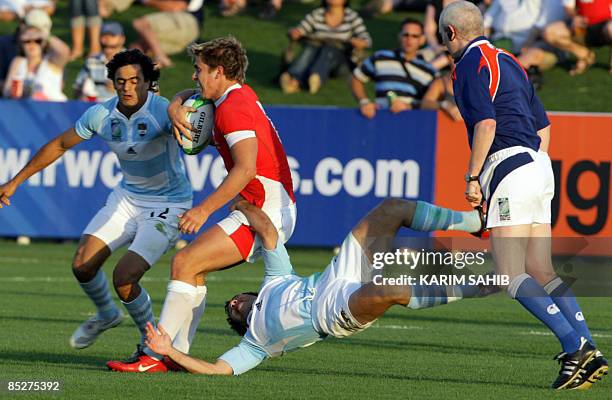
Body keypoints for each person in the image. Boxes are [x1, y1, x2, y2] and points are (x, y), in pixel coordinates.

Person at [439, 1, 607, 390]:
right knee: (542, 269)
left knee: (509, 273)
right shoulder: (511, 60)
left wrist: (473, 177)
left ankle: (573, 346)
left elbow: (485, 122)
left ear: (450, 33)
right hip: (538, 163)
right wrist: (531, 169)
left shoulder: (467, 65)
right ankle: (590, 349)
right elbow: (543, 125)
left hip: (508, 164)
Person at [106, 36, 298, 373]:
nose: (194, 77)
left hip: (264, 209)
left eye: (199, 70)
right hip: (265, 205)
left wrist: (203, 210)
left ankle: (157, 356)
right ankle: (175, 355)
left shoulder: (233, 109)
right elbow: (192, 97)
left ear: (219, 72)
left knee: (185, 261)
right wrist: (174, 103)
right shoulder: (235, 95)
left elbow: (246, 168)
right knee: (191, 269)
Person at [138, 198, 486, 375]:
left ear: (249, 294)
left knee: (391, 209)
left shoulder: (276, 278)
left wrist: (243, 204)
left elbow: (269, 234)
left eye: (234, 301)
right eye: (233, 312)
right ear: (241, 323)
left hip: (337, 273)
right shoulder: (256, 344)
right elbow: (215, 370)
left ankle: (476, 222)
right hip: (331, 313)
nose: (232, 304)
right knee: (389, 289)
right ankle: (484, 284)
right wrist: (168, 351)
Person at [0, 49, 193, 363]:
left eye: (134, 81)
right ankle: (106, 314)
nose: (127, 87)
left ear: (148, 82)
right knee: (82, 264)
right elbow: (60, 145)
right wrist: (15, 181)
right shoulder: (101, 115)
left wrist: (180, 106)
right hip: (127, 198)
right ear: (112, 84)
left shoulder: (163, 111)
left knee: (124, 277)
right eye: (120, 81)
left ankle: (152, 345)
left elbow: (202, 120)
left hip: (168, 204)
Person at [351, 18, 438, 119]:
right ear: (399, 36)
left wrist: (409, 106)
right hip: (381, 117)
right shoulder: (381, 57)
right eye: (406, 35)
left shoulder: (430, 71)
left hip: (413, 120)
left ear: (422, 40)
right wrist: (364, 101)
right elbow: (356, 77)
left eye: (414, 36)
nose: (409, 40)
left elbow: (432, 103)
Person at [279, 0, 371, 94]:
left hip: (340, 61)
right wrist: (295, 33)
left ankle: (315, 77)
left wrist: (358, 42)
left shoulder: (351, 16)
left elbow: (366, 40)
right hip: (316, 53)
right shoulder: (317, 14)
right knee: (310, 48)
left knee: (330, 49)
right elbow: (301, 29)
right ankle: (293, 79)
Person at [2, 15, 69, 101]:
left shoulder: (52, 61)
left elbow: (64, 52)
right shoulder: (18, 62)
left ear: (43, 43)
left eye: (37, 41)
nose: (32, 44)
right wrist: (15, 91)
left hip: (52, 108)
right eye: (27, 41)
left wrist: (44, 34)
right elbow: (6, 91)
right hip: (25, 109)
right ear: (21, 44)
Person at [542, 0, 612, 75]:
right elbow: (569, 7)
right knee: (550, 32)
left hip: (605, 26)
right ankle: (584, 54)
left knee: (611, 28)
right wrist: (575, 17)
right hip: (582, 28)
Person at [131, 0, 203, 68]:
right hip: (187, 37)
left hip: (187, 21)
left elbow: (177, 6)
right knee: (136, 48)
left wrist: (147, 1)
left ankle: (160, 56)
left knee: (141, 24)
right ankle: (152, 67)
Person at [74, 21, 126, 102]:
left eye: (112, 35)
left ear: (122, 39)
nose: (107, 39)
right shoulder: (91, 62)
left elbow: (147, 92)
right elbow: (77, 90)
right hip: (94, 107)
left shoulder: (133, 62)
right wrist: (82, 95)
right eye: (104, 35)